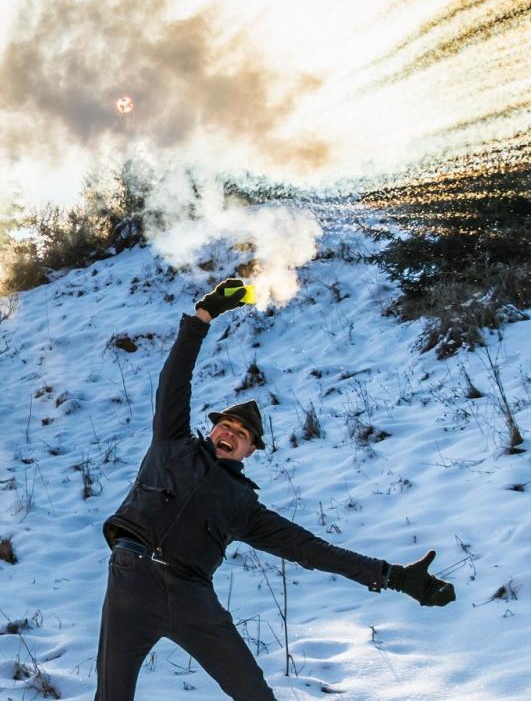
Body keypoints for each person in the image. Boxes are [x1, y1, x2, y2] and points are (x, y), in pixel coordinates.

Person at [96, 278, 455, 701]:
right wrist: (203, 317)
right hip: (131, 580)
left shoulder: (244, 506)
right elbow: (175, 380)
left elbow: (311, 549)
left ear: (250, 450)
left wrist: (393, 577)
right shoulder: (171, 444)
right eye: (224, 426)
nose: (229, 434)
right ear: (212, 430)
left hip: (192, 597)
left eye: (241, 434)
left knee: (255, 695)